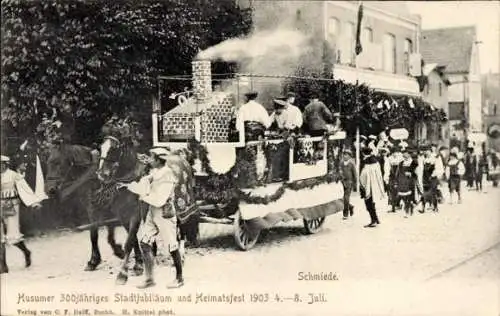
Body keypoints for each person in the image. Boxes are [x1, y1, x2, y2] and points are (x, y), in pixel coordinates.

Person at [120, 148, 184, 289]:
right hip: (152, 212)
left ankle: (179, 278)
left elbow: (159, 199)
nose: (149, 159)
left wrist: (144, 197)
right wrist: (128, 186)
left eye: (151, 157)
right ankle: (149, 279)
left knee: (171, 246)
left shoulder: (167, 176)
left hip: (164, 214)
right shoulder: (154, 174)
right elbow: (143, 187)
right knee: (144, 243)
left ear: (157, 160)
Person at [1, 155, 43, 274]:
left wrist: (33, 202)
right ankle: (3, 266)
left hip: (11, 206)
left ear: (5, 164)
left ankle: (26, 251)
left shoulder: (13, 175)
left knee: (13, 236)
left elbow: (25, 189)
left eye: (1, 164)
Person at [359, 147, 386, 228]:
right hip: (375, 185)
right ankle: (376, 219)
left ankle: (373, 220)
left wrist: (361, 185)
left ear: (363, 153)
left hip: (368, 186)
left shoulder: (365, 162)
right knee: (372, 203)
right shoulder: (375, 161)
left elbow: (363, 175)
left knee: (368, 204)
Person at [396, 149, 419, 218]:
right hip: (402, 181)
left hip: (411, 181)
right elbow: (398, 173)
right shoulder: (401, 163)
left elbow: (418, 172)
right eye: (403, 153)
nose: (404, 155)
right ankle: (407, 209)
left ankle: (408, 210)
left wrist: (411, 173)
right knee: (404, 196)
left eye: (405, 153)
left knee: (410, 196)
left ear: (409, 154)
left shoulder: (414, 162)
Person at [384, 146, 403, 213]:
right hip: (392, 176)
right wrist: (386, 177)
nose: (395, 154)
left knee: (399, 190)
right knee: (391, 191)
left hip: (399, 176)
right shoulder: (389, 159)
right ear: (392, 153)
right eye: (394, 153)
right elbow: (386, 168)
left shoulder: (401, 159)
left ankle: (398, 203)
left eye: (396, 152)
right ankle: (393, 207)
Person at [340, 150, 356, 220]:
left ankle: (345, 214)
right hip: (342, 182)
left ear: (349, 156)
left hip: (349, 182)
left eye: (346, 155)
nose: (344, 156)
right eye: (344, 154)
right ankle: (350, 206)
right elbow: (339, 170)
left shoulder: (351, 163)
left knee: (346, 198)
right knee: (341, 198)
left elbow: (354, 174)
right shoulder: (341, 163)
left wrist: (355, 184)